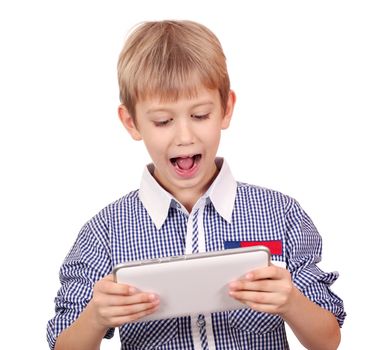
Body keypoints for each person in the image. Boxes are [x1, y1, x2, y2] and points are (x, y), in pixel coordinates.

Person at [47, 20, 346, 350]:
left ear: (226, 109)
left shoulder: (281, 214)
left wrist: (290, 301)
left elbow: (328, 340)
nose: (184, 136)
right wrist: (96, 318)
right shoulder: (104, 232)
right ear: (132, 123)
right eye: (163, 121)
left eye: (200, 115)